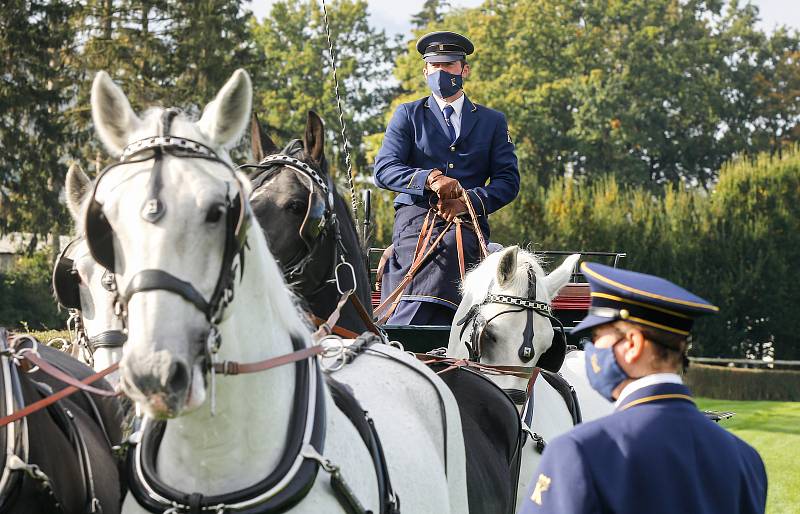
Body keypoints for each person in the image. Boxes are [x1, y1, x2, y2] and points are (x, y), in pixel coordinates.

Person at [519, 262, 768, 514]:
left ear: (633, 344)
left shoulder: (577, 453)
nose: (590, 350)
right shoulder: (745, 459)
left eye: (597, 338)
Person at [373, 30, 519, 325]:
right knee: (424, 251)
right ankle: (403, 327)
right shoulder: (408, 115)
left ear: (464, 70)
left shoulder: (492, 121)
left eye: (449, 65)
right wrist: (431, 179)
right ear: (425, 70)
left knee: (455, 244)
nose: (441, 72)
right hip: (415, 221)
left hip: (467, 222)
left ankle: (421, 329)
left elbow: (508, 181)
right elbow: (384, 169)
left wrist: (468, 202)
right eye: (435, 66)